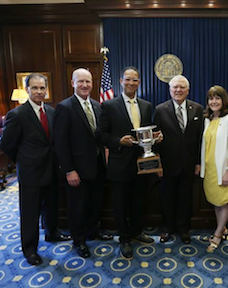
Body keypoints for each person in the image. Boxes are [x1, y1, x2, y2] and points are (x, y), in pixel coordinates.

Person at [0, 73, 70, 265]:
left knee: (51, 206)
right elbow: (6, 145)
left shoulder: (51, 111)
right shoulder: (17, 114)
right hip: (31, 173)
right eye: (35, 88)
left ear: (46, 90)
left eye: (42, 88)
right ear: (27, 90)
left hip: (51, 169)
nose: (39, 91)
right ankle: (29, 249)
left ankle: (52, 233)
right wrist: (23, 161)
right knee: (30, 213)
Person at [97, 66, 157, 259]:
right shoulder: (109, 105)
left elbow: (147, 134)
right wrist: (118, 142)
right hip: (119, 163)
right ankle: (124, 239)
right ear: (121, 81)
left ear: (139, 82)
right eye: (128, 79)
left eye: (135, 80)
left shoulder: (147, 106)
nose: (131, 83)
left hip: (142, 164)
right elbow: (101, 134)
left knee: (139, 200)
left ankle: (137, 231)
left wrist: (155, 138)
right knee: (120, 203)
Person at [53, 68, 112, 259]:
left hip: (97, 166)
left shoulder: (97, 105)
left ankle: (92, 231)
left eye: (88, 82)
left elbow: (99, 136)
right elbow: (61, 143)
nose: (85, 85)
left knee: (95, 203)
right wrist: (69, 170)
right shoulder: (65, 107)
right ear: (73, 83)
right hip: (77, 170)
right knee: (77, 207)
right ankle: (78, 240)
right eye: (81, 82)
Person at [154, 75, 203, 244]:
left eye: (182, 87)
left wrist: (198, 162)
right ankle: (167, 228)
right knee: (167, 197)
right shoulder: (160, 110)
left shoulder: (197, 109)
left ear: (188, 90)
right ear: (169, 90)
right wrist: (157, 164)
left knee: (185, 197)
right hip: (167, 164)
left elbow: (199, 138)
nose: (178, 90)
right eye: (175, 87)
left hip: (189, 164)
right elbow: (155, 140)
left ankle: (183, 228)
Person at [200, 85, 228, 252]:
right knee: (216, 201)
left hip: (224, 169)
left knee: (224, 202)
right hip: (210, 169)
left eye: (217, 98)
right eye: (211, 98)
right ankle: (222, 228)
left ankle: (217, 234)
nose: (213, 101)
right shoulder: (208, 119)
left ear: (223, 101)